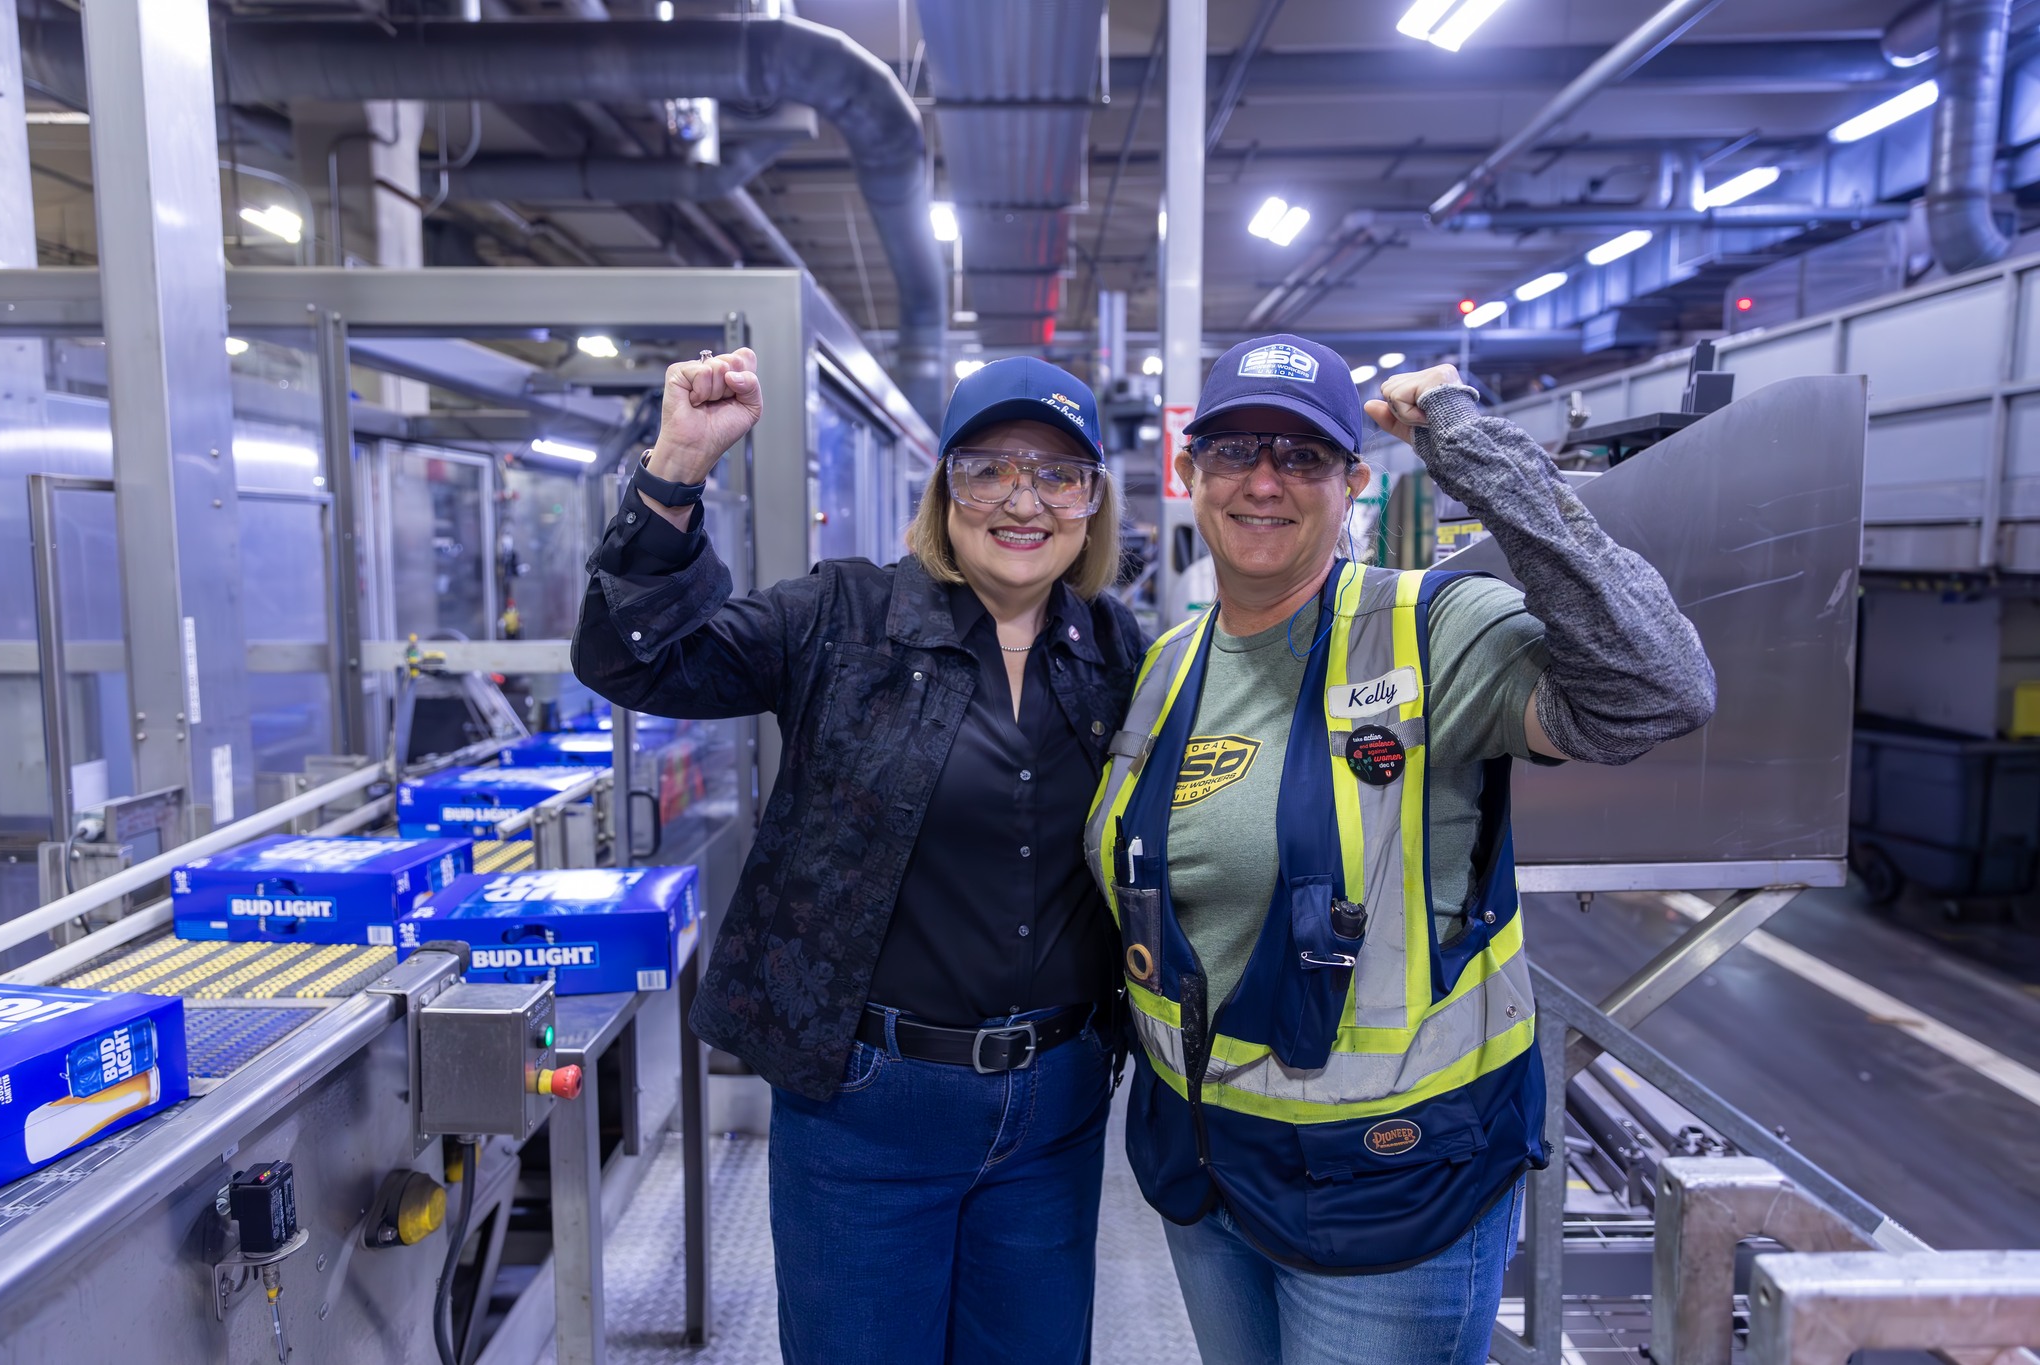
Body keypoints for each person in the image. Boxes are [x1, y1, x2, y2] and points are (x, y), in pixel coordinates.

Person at [1084, 333, 1716, 1365]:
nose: (1262, 482)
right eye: (1236, 449)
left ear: (1354, 486)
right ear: (1187, 471)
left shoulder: (1429, 631)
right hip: (1204, 1174)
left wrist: (1468, 440)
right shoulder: (1166, 667)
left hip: (1389, 1201)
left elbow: (1658, 686)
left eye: (1301, 458)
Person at [572, 349, 1147, 1364]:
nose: (1024, 499)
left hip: (1053, 1105)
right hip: (865, 1108)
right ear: (944, 489)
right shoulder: (839, 621)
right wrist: (676, 468)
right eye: (988, 469)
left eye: (1058, 473)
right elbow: (633, 658)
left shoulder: (1109, 646)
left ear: (1091, 502)